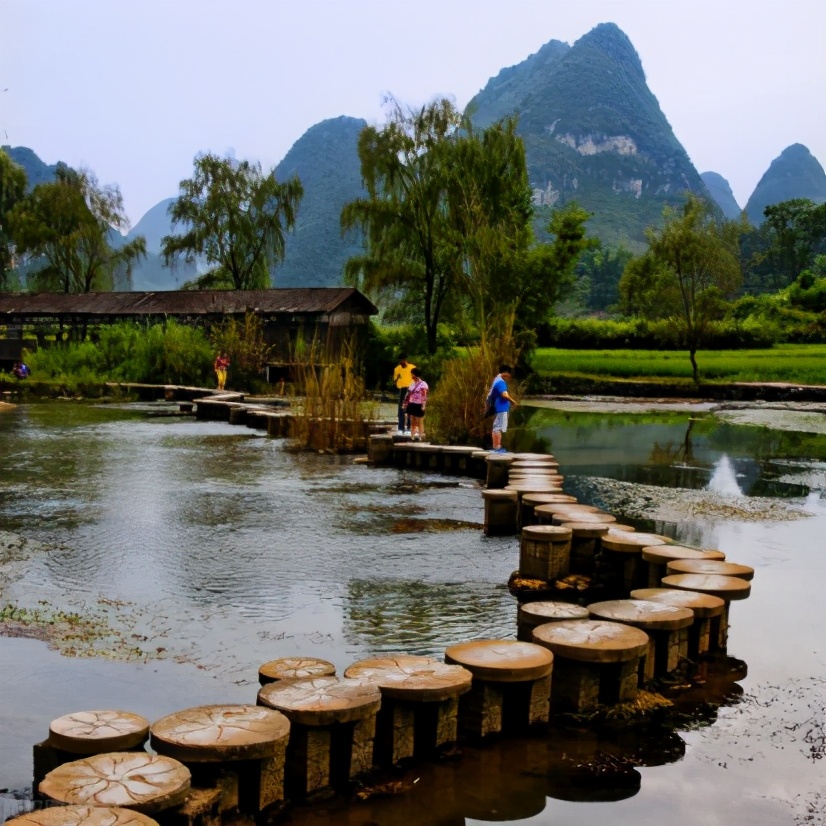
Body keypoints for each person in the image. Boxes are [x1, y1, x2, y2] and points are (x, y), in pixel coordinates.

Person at [487, 364, 518, 453]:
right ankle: (497, 448)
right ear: (505, 373)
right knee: (497, 427)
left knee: (497, 427)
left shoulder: (497, 380)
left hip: (499, 408)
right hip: (501, 408)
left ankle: (497, 447)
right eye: (509, 374)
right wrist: (513, 401)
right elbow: (504, 395)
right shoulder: (501, 382)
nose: (510, 376)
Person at [403, 367, 429, 442]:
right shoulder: (412, 384)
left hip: (419, 404)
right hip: (412, 404)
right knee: (412, 421)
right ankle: (412, 436)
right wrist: (405, 403)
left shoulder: (423, 384)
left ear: (415, 374)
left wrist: (423, 405)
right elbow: (408, 395)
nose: (411, 376)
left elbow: (424, 396)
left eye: (412, 374)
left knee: (419, 421)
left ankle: (421, 436)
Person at [392, 354, 416, 436]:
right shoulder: (397, 369)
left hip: (411, 389)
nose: (401, 362)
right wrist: (397, 378)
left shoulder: (412, 367)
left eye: (402, 360)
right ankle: (400, 429)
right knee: (401, 409)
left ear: (405, 360)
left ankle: (409, 428)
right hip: (402, 389)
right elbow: (395, 382)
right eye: (400, 361)